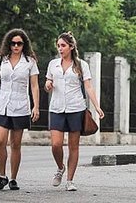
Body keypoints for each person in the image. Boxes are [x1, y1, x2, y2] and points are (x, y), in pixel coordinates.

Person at [0, 29, 40, 191]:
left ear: (24, 44)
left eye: (19, 43)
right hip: (2, 105)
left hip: (21, 106)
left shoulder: (30, 62)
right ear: (9, 44)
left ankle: (13, 178)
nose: (16, 46)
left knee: (15, 144)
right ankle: (2, 176)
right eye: (13, 43)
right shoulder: (1, 60)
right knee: (0, 141)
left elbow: (34, 86)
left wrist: (36, 106)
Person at [44, 32, 104, 191]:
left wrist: (96, 106)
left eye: (63, 45)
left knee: (73, 146)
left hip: (75, 108)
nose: (60, 49)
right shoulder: (53, 64)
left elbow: (88, 87)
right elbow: (48, 81)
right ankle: (60, 168)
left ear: (71, 47)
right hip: (56, 108)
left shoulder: (81, 65)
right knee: (56, 145)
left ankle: (70, 180)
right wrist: (48, 85)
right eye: (58, 46)